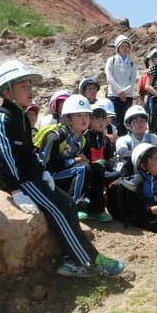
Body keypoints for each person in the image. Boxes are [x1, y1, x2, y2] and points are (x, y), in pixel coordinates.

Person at [0, 61, 123, 277]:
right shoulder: (1, 118)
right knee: (58, 210)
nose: (30, 90)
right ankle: (86, 261)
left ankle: (71, 257)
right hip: (23, 181)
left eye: (29, 85)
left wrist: (42, 171)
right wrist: (16, 191)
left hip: (33, 176)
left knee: (69, 205)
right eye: (24, 86)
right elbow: (3, 158)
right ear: (7, 90)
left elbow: (29, 152)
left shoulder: (21, 117)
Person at [38, 94, 112, 222]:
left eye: (86, 115)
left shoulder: (82, 139)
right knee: (82, 169)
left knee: (97, 168)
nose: (84, 119)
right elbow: (47, 165)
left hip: (69, 175)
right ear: (68, 118)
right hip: (49, 177)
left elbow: (87, 163)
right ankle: (75, 205)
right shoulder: (56, 136)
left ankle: (97, 207)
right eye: (78, 115)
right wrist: (73, 161)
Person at [115, 104, 157, 173]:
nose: (139, 124)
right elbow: (122, 152)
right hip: (131, 177)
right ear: (129, 125)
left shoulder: (153, 137)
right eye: (135, 121)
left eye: (142, 121)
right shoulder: (123, 140)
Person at [105, 34, 136, 135]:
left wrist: (124, 91)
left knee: (126, 121)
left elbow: (132, 81)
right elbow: (109, 77)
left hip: (128, 96)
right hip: (114, 95)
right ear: (118, 47)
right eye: (122, 46)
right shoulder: (111, 60)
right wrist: (118, 91)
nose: (125, 48)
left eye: (127, 46)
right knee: (114, 121)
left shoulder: (132, 63)